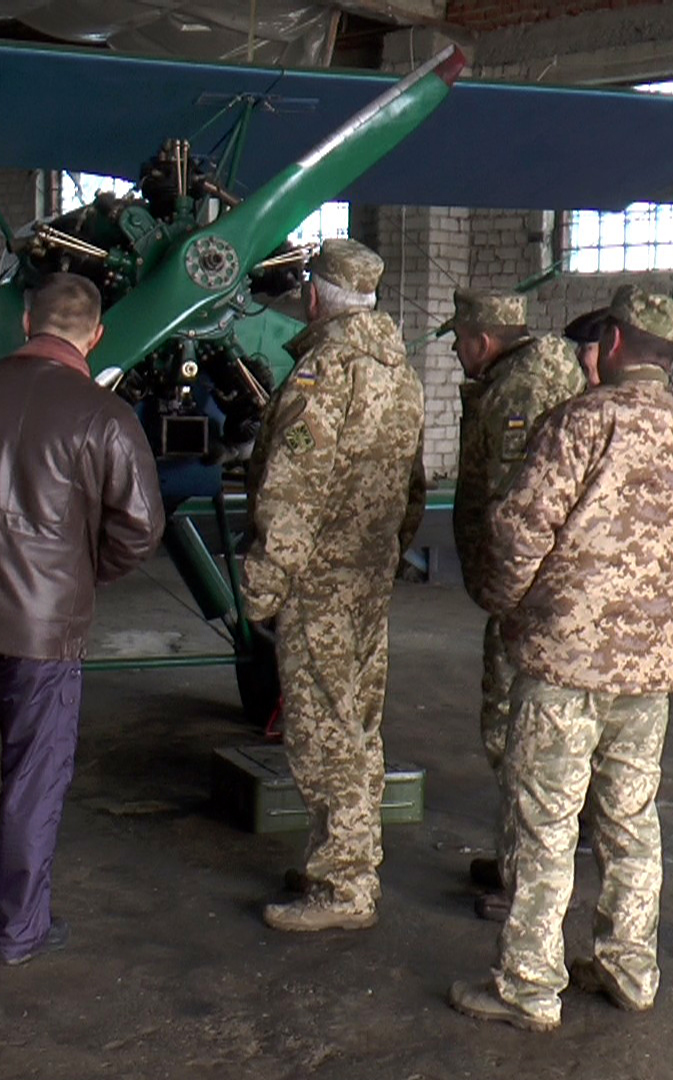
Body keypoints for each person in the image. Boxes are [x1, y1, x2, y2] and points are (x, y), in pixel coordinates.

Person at [448, 285, 673, 1032]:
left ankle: (529, 986)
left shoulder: (580, 424)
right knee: (630, 822)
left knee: (545, 824)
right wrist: (645, 606)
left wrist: (509, 605)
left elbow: (517, 533)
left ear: (609, 345)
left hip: (562, 669)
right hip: (647, 675)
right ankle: (629, 969)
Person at [0, 272, 164, 966]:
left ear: (26, 323)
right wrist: (81, 574)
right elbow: (140, 529)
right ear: (96, 336)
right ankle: (18, 932)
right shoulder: (106, 417)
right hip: (48, 633)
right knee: (34, 779)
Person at [244, 238, 426, 933]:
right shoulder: (400, 372)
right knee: (359, 724)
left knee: (324, 732)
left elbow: (295, 489)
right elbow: (412, 487)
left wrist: (263, 583)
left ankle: (343, 885)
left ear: (315, 296)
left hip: (320, 582)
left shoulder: (326, 371)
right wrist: (383, 554)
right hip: (368, 577)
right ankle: (349, 861)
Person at [446, 288, 586, 922]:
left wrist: (505, 597)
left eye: (459, 339)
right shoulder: (544, 371)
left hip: (528, 597)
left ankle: (529, 884)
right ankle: (517, 860)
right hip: (550, 592)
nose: (455, 350)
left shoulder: (518, 392)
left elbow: (515, 513)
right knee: (527, 736)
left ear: (483, 340)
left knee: (517, 737)